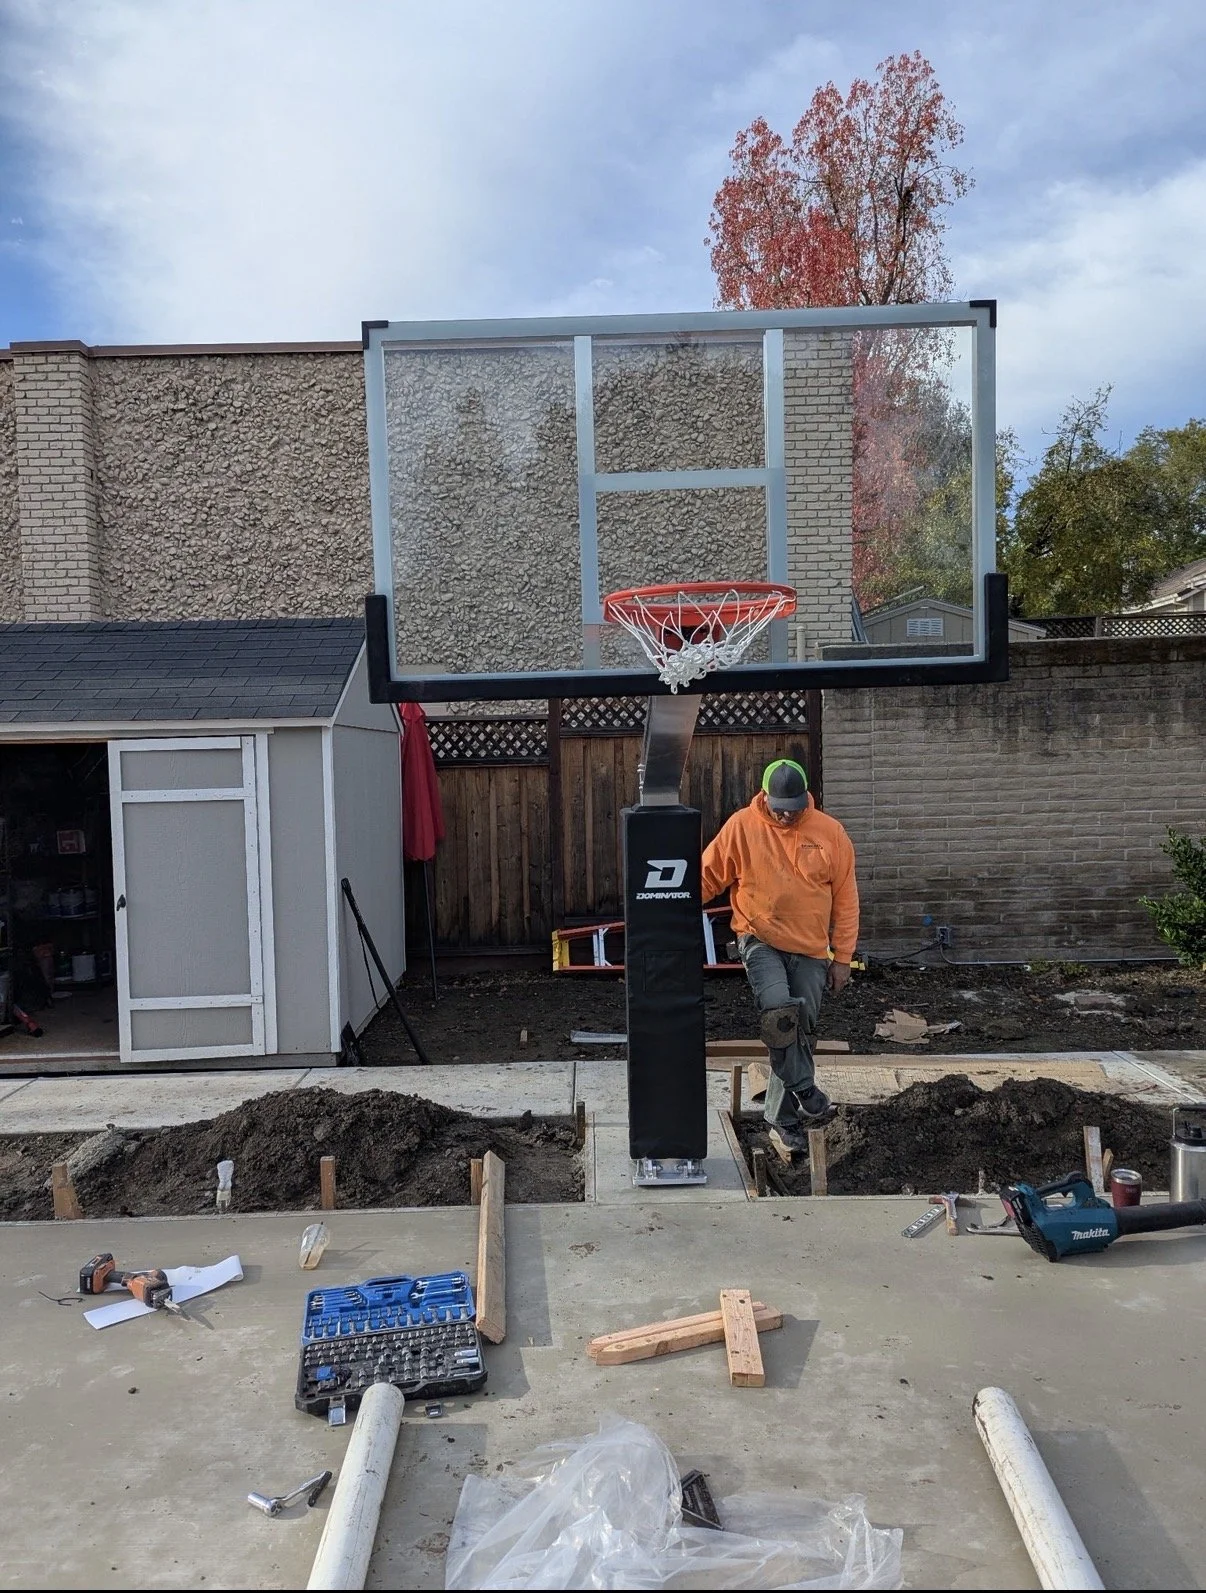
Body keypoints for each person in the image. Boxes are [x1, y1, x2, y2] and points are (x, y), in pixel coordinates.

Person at [701, 758, 859, 1157]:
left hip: (810, 949)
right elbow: (707, 877)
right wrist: (666, 904)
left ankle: (780, 1118)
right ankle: (804, 1089)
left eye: (795, 807)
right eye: (780, 808)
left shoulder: (830, 833)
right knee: (778, 1013)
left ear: (807, 798)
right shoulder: (741, 827)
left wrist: (842, 957)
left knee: (800, 1029)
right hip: (759, 939)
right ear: (765, 797)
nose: (787, 815)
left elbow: (846, 900)